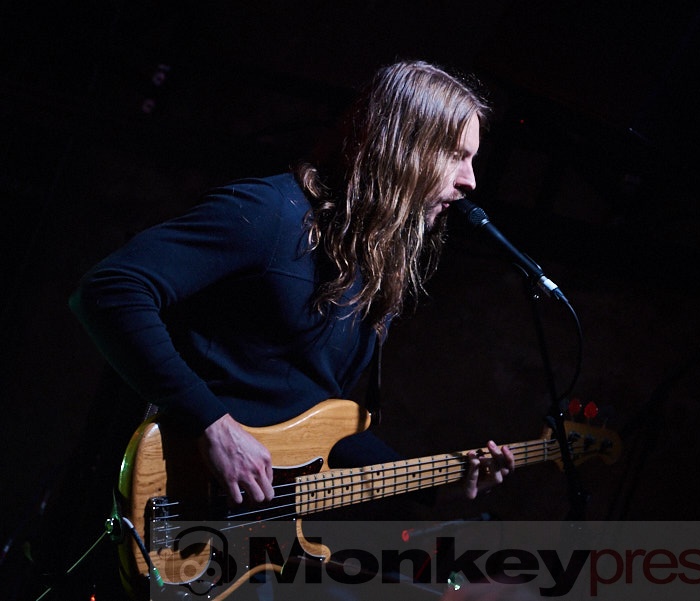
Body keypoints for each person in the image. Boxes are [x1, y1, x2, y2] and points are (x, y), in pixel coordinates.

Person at [69, 60, 514, 517]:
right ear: (403, 146)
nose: (470, 180)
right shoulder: (270, 215)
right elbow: (111, 288)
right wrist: (212, 423)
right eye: (457, 155)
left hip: (235, 534)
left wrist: (441, 484)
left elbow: (312, 428)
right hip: (160, 497)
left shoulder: (370, 270)